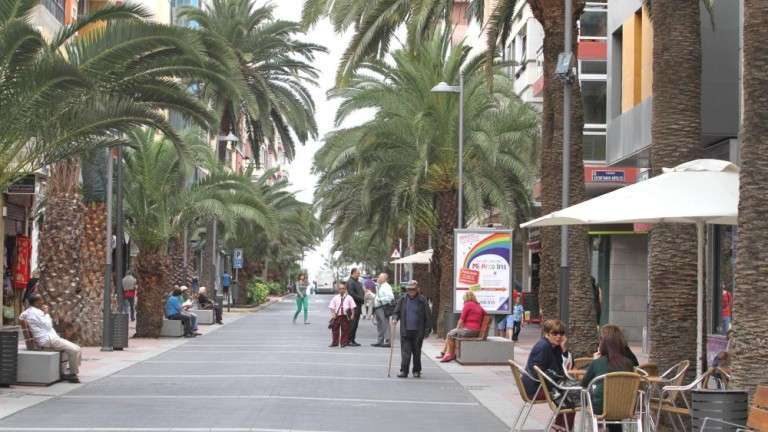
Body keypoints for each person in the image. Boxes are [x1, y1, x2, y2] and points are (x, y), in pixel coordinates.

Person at [582, 325, 635, 432]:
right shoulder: (628, 363)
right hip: (625, 407)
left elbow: (584, 384)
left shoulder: (597, 363)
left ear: (603, 344)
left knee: (595, 397)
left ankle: (600, 428)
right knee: (616, 401)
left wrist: (594, 361)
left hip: (600, 408)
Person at [19, 294, 82, 382]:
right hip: (48, 339)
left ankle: (71, 371)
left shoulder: (31, 311)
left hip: (52, 338)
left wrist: (43, 314)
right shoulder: (35, 313)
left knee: (78, 348)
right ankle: (72, 374)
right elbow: (48, 325)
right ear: (36, 303)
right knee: (74, 350)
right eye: (41, 300)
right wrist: (46, 313)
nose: (42, 302)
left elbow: (21, 316)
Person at [391, 280, 431, 378]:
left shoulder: (422, 300)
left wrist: (427, 330)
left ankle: (416, 371)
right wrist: (395, 319)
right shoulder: (402, 299)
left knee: (417, 352)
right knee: (406, 353)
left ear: (417, 289)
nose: (411, 291)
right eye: (409, 289)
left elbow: (428, 316)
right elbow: (396, 312)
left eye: (413, 289)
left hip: (418, 331)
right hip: (405, 331)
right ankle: (404, 371)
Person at [437, 290, 486, 363]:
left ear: (466, 298)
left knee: (450, 334)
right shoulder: (478, 305)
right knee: (451, 333)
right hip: (476, 330)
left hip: (469, 331)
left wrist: (457, 329)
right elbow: (485, 313)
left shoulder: (467, 304)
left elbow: (461, 319)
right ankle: (444, 353)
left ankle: (450, 354)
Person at [328, 281, 356, 347]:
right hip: (337, 316)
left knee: (345, 330)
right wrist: (333, 313)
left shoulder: (349, 297)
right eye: (340, 289)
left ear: (345, 289)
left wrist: (352, 314)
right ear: (338, 290)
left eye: (343, 288)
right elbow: (331, 306)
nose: (341, 290)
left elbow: (353, 307)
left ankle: (343, 342)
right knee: (335, 330)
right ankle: (335, 342)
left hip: (345, 316)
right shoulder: (335, 297)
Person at [372, 272, 395, 347]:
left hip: (383, 307)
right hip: (378, 307)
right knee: (380, 324)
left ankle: (387, 341)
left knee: (384, 324)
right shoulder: (380, 286)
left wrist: (380, 300)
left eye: (380, 277)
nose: (378, 278)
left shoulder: (386, 286)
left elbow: (391, 297)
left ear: (384, 279)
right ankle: (380, 341)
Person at [345, 268, 364, 346]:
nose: (358, 275)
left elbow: (361, 292)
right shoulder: (350, 282)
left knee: (355, 324)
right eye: (357, 273)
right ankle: (348, 340)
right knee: (352, 324)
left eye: (359, 273)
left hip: (358, 305)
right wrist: (361, 298)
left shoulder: (358, 282)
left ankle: (352, 339)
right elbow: (351, 294)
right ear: (352, 273)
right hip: (352, 306)